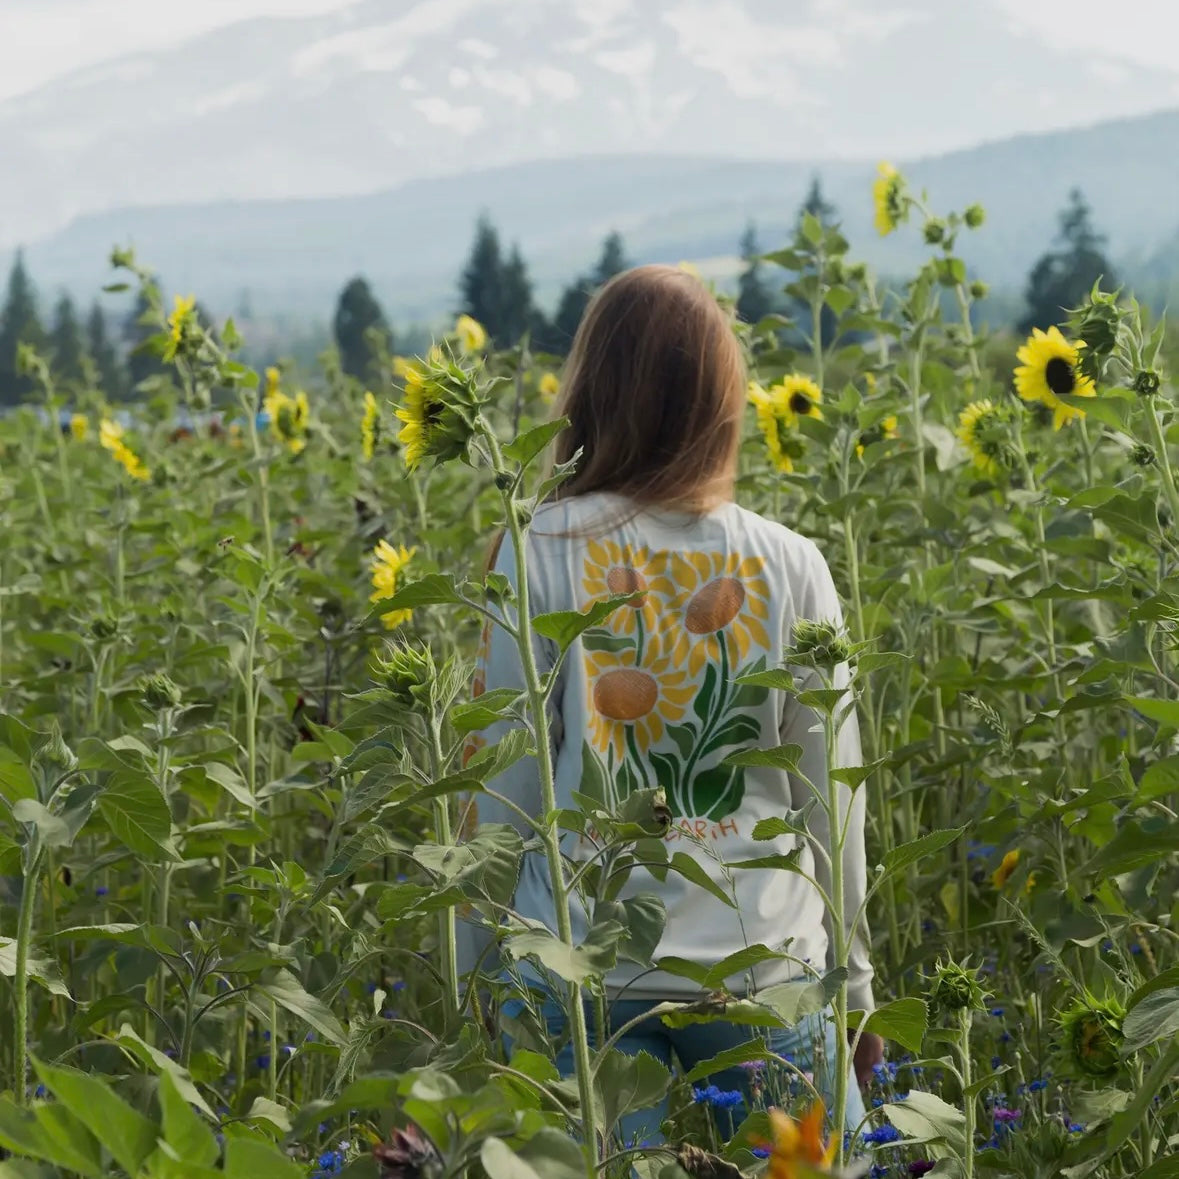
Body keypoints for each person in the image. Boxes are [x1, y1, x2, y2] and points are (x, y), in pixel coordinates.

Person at [458, 264, 882, 1145]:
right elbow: (832, 797)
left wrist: (475, 973)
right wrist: (853, 987)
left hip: (581, 970)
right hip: (763, 966)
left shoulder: (536, 548)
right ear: (721, 403)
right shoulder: (791, 562)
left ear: (588, 390)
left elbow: (503, 786)